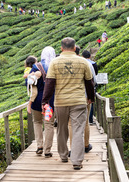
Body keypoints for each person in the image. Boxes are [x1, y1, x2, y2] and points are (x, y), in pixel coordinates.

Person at [42, 37, 95, 170]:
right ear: (74, 47)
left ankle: (63, 155)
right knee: (77, 131)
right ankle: (77, 161)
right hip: (78, 101)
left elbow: (49, 84)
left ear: (61, 48)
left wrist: (45, 101)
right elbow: (89, 82)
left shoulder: (54, 62)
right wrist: (91, 97)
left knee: (61, 129)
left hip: (61, 102)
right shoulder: (83, 62)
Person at [25, 47, 56, 158]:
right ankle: (47, 150)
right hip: (50, 100)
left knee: (37, 122)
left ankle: (39, 146)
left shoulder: (36, 67)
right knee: (49, 124)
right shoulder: (54, 66)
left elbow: (27, 82)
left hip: (37, 100)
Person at [82, 50, 98, 125]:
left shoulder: (80, 63)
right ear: (90, 56)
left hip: (77, 93)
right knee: (89, 105)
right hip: (88, 89)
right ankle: (90, 119)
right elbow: (94, 78)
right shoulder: (93, 64)